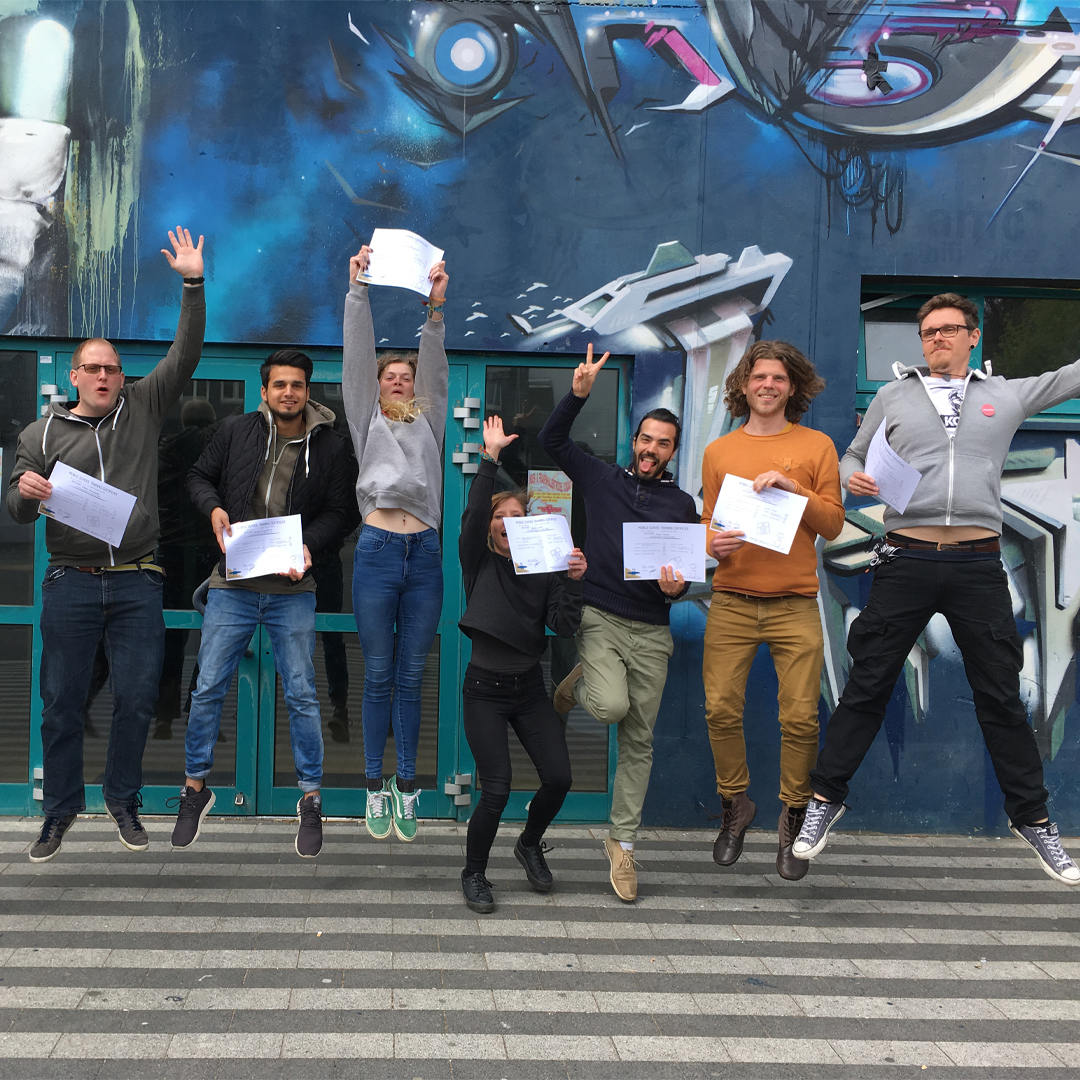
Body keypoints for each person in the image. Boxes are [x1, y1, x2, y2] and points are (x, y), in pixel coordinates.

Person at [793, 292, 1080, 886]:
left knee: (1000, 694)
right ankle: (824, 801)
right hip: (906, 556)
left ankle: (1032, 819)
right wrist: (856, 476)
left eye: (949, 330)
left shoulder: (1006, 395)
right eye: (928, 333)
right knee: (868, 682)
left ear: (973, 337)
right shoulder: (895, 396)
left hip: (978, 564)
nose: (937, 340)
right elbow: (850, 457)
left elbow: (1069, 377)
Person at [7, 226, 206, 862]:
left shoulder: (143, 406)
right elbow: (14, 512)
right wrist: (26, 492)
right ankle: (59, 811)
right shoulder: (41, 433)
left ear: (123, 377)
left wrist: (192, 283)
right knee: (62, 701)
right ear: (74, 376)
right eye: (91, 368)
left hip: (137, 580)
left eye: (112, 368)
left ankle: (122, 798)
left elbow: (186, 352)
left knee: (139, 697)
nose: (102, 375)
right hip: (69, 579)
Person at [171, 350, 355, 857]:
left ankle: (310, 799)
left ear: (308, 390)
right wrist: (213, 509)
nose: (289, 393)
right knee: (207, 686)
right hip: (233, 583)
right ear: (265, 391)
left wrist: (310, 547)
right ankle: (195, 789)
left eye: (297, 385)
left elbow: (343, 511)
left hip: (292, 590)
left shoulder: (332, 446)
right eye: (280, 385)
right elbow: (197, 478)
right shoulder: (235, 431)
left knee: (301, 693)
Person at [539, 346, 698, 901]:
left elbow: (684, 578)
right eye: (645, 439)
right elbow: (551, 443)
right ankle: (582, 681)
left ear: (673, 451)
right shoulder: (601, 478)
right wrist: (577, 395)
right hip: (601, 616)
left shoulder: (683, 505)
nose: (651, 449)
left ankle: (622, 845)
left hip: (652, 628)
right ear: (634, 441)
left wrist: (679, 587)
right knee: (610, 707)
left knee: (639, 740)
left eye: (663, 443)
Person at [700, 341, 844, 880]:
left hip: (794, 603)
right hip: (733, 600)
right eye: (758, 377)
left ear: (793, 387)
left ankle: (793, 814)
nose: (767, 385)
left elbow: (832, 523)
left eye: (778, 378)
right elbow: (708, 522)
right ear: (743, 386)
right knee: (719, 709)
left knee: (801, 716)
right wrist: (709, 545)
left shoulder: (816, 445)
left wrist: (794, 487)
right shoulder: (719, 452)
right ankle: (736, 805)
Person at [457, 415, 586, 913]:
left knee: (559, 778)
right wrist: (489, 460)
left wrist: (573, 580)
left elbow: (564, 625)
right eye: (498, 516)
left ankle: (529, 842)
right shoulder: (479, 560)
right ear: (490, 527)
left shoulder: (547, 567)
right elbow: (471, 517)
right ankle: (474, 873)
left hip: (529, 688)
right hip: (484, 690)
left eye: (516, 515)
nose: (506, 522)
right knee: (496, 789)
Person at [342, 244, 449, 842]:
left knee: (412, 674)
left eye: (406, 375)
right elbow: (356, 360)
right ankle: (372, 787)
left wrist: (435, 312)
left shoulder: (428, 421)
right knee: (378, 673)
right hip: (380, 553)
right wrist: (358, 292)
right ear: (378, 387)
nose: (400, 378)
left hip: (425, 555)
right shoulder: (367, 420)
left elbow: (434, 367)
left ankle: (407, 788)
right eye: (391, 375)